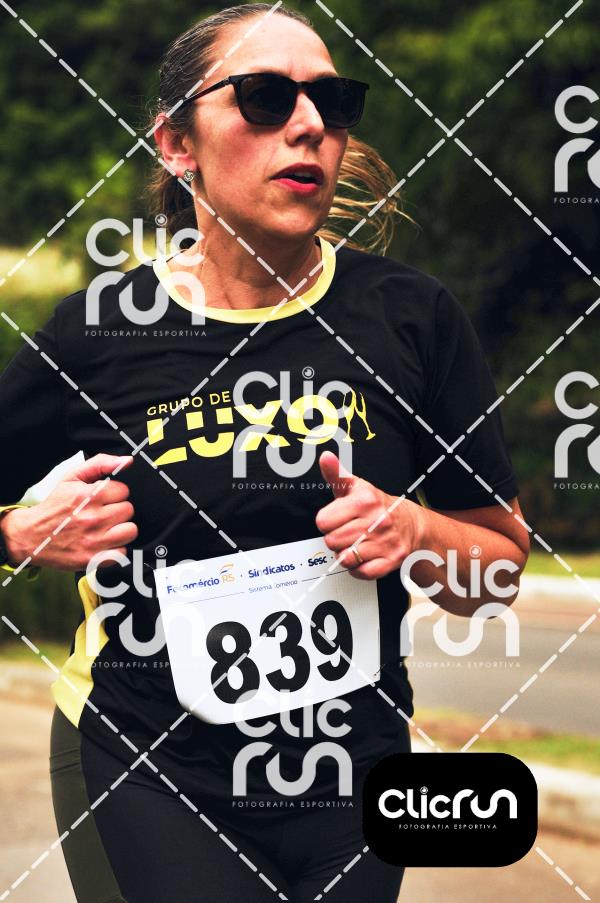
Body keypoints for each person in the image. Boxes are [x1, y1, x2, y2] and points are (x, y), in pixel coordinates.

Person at [0, 4, 530, 902]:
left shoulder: (412, 317)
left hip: (353, 775)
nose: (311, 123)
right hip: (150, 765)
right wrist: (18, 533)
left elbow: (499, 567)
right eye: (265, 97)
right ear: (178, 143)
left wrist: (414, 530)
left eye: (332, 99)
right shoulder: (99, 331)